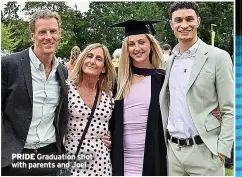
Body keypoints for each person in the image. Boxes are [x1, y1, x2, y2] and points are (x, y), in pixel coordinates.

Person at [159, 2, 234, 176]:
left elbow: (229, 109)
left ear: (198, 21)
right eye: (178, 20)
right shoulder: (169, 62)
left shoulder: (218, 57)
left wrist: (222, 150)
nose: (184, 25)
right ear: (172, 25)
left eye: (189, 19)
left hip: (206, 152)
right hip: (173, 154)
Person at [1, 10, 68, 175]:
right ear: (32, 35)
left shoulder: (62, 71)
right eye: (42, 32)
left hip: (49, 156)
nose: (48, 36)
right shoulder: (8, 65)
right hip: (15, 157)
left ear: (59, 34)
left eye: (53, 31)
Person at [110, 20, 167, 176]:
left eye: (141, 42)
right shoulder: (117, 78)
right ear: (126, 49)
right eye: (131, 44)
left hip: (153, 154)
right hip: (120, 157)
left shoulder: (162, 79)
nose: (137, 48)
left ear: (151, 44)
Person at [64, 43, 116, 176]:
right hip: (73, 161)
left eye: (99, 59)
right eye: (89, 56)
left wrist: (111, 137)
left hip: (102, 164)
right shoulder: (66, 89)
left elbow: (113, 125)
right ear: (82, 60)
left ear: (104, 68)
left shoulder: (108, 95)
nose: (92, 61)